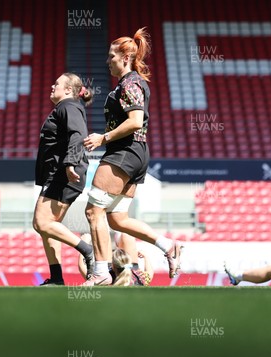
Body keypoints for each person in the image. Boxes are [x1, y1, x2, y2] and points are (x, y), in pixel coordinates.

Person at [82, 27, 182, 285]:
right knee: (117, 218)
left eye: (111, 57)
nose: (108, 62)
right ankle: (168, 245)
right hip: (135, 154)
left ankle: (101, 273)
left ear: (125, 58)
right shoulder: (130, 84)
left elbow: (136, 121)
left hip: (125, 153)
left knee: (94, 211)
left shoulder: (130, 83)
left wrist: (102, 138)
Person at [32, 73, 96, 285]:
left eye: (57, 83)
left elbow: (77, 134)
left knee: (41, 222)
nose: (52, 85)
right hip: (61, 172)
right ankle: (57, 278)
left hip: (66, 172)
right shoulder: (66, 106)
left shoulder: (68, 106)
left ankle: (87, 250)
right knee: (47, 225)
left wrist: (69, 163)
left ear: (69, 90)